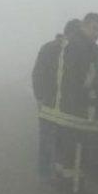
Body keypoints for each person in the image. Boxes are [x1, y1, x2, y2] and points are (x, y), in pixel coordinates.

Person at [39, 13, 98, 194]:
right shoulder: (80, 46)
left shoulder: (78, 45)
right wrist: (92, 86)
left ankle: (63, 182)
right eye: (94, 28)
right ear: (84, 26)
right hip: (75, 107)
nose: (97, 33)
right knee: (75, 149)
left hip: (67, 106)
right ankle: (73, 187)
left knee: (66, 147)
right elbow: (82, 77)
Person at [32, 19, 81, 181]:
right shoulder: (59, 49)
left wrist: (39, 97)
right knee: (55, 138)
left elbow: (37, 74)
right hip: (56, 101)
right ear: (72, 33)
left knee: (49, 138)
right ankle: (51, 173)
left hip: (50, 101)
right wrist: (40, 96)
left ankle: (46, 173)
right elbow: (39, 74)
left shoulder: (49, 47)